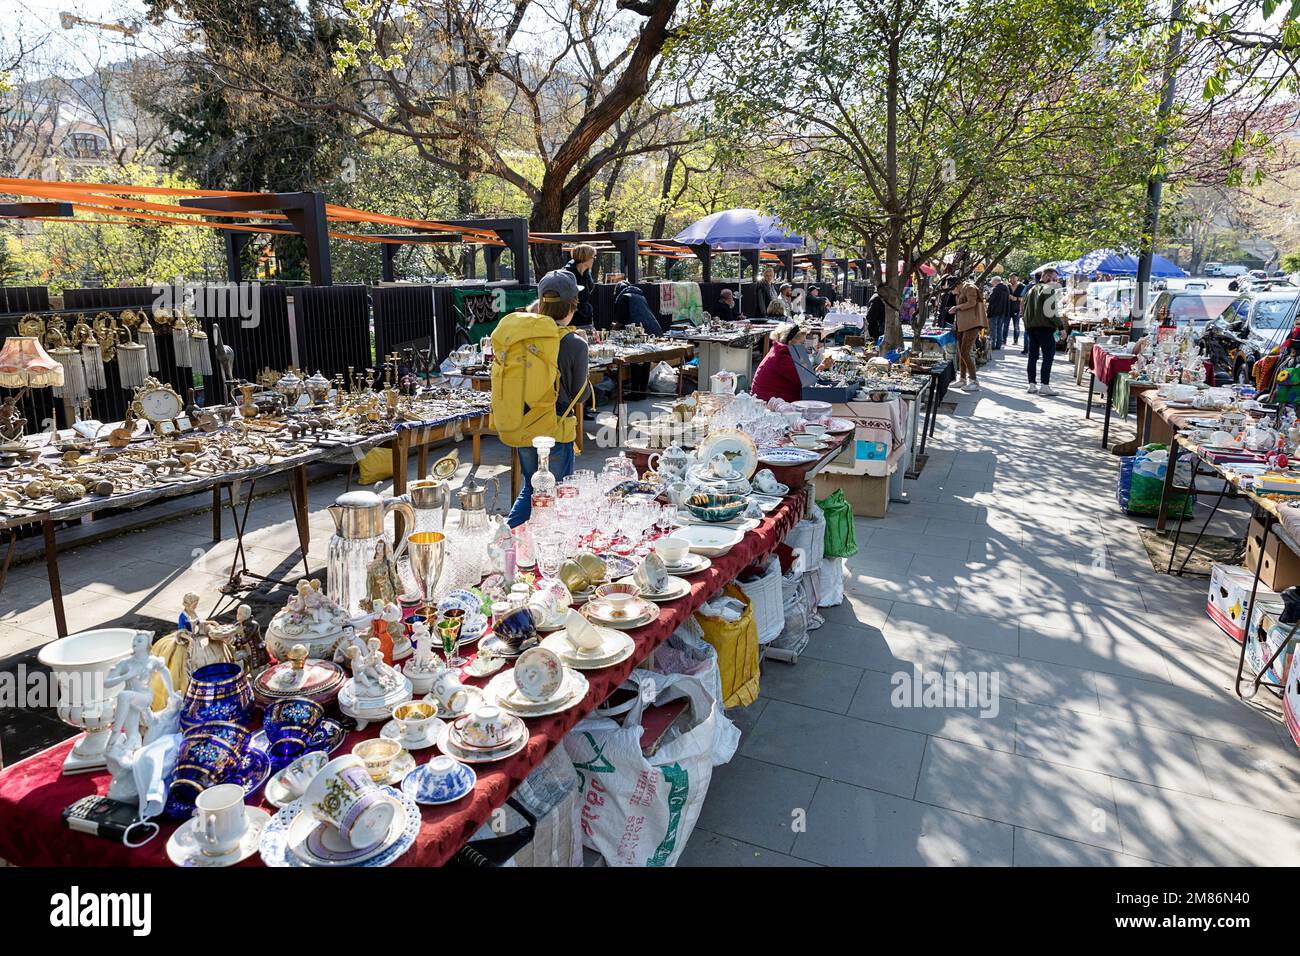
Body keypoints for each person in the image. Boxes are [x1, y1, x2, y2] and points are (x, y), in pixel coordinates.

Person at [496, 269, 590, 527]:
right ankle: (508, 541)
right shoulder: (574, 343)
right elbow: (581, 395)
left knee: (532, 488)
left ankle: (510, 541)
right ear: (572, 306)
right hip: (555, 431)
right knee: (552, 495)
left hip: (522, 425)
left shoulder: (522, 336)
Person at [1022, 266, 1066, 395]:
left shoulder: (1031, 290)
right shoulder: (1048, 289)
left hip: (1031, 328)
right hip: (1045, 328)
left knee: (1033, 357)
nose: (1056, 282)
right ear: (1047, 277)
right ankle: (1045, 385)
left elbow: (1024, 310)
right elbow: (1051, 312)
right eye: (1054, 279)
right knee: (1048, 356)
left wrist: (1027, 326)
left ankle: (1032, 384)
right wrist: (1061, 327)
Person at [751, 323, 807, 403]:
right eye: (802, 343)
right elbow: (805, 381)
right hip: (766, 403)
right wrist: (819, 368)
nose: (805, 347)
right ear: (790, 343)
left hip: (769, 398)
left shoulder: (779, 351)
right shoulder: (782, 357)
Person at [949, 278, 987, 390]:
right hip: (963, 326)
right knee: (962, 353)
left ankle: (974, 381)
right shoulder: (961, 291)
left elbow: (972, 303)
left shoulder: (969, 288)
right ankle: (962, 379)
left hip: (972, 325)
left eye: (951, 288)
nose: (951, 291)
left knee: (965, 352)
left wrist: (957, 307)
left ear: (956, 285)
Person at [564, 243, 597, 328]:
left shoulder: (586, 274)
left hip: (586, 319)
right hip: (571, 321)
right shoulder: (567, 274)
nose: (594, 260)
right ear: (586, 258)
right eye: (593, 257)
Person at [987, 276, 1011, 350]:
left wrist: (989, 293)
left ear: (996, 282)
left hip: (994, 312)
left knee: (993, 329)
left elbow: (990, 300)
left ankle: (993, 345)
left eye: (992, 282)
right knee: (1000, 329)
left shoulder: (996, 289)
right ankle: (998, 345)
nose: (992, 284)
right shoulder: (1006, 289)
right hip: (1003, 312)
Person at [1007, 273, 1025, 351]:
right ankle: (1004, 340)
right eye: (1011, 278)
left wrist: (1016, 298)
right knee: (1005, 325)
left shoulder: (1022, 287)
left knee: (1016, 326)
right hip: (1007, 309)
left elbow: (1024, 298)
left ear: (1017, 278)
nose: (1012, 280)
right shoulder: (1007, 287)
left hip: (1017, 309)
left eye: (1014, 278)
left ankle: (1016, 340)